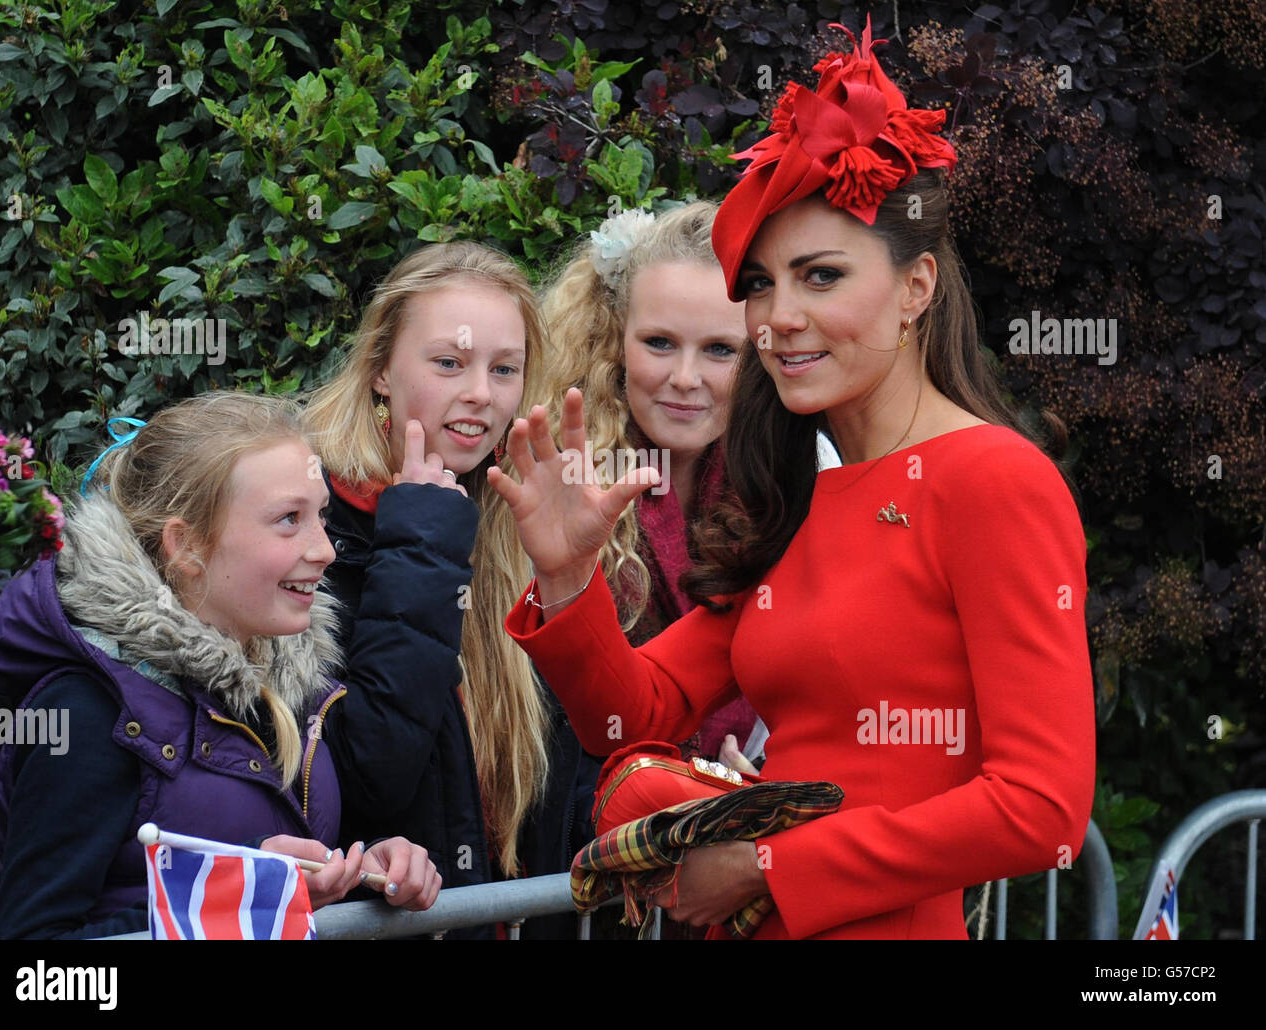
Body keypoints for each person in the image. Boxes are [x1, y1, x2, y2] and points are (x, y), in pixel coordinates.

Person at [490, 19, 1095, 939]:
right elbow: (630, 719)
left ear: (916, 287)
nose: (779, 318)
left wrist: (765, 864)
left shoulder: (993, 481)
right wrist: (570, 577)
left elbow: (1040, 807)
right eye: (764, 285)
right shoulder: (801, 494)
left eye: (820, 276)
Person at [0, 392, 440, 939]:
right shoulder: (85, 712)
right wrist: (244, 898)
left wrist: (365, 873)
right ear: (185, 546)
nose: (327, 550)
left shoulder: (290, 684)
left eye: (322, 516)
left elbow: (285, 878)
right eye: (289, 519)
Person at [302, 242, 593, 938]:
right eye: (449, 363)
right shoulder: (307, 524)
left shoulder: (509, 513)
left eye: (504, 369)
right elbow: (372, 777)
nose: (481, 394)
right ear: (379, 369)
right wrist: (423, 542)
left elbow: (559, 774)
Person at [542, 201, 764, 772]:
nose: (684, 378)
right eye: (659, 343)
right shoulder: (557, 475)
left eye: (720, 350)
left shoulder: (790, 476)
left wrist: (776, 769)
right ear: (618, 340)